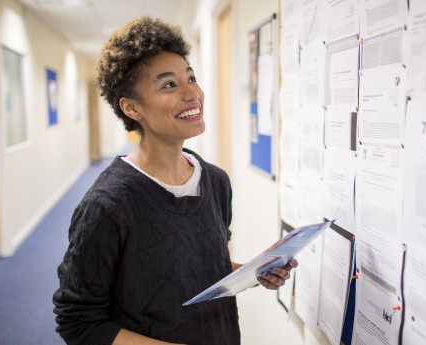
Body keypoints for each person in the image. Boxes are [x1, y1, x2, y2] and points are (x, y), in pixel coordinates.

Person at [52, 15, 298, 345]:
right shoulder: (107, 205)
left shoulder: (215, 181)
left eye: (191, 78)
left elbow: (205, 266)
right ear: (132, 107)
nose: (192, 93)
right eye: (169, 84)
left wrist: (254, 272)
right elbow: (78, 323)